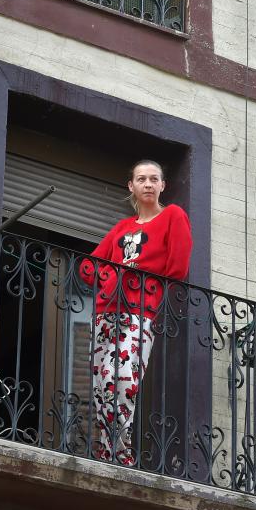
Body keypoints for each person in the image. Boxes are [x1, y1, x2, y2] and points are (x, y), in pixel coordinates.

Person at [79, 160, 193, 466]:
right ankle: (107, 451)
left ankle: (122, 450)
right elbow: (87, 267)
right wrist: (114, 278)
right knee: (103, 386)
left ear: (162, 186)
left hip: (139, 310)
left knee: (125, 380)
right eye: (141, 179)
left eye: (154, 179)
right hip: (105, 311)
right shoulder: (122, 228)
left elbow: (178, 267)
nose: (147, 184)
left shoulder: (172, 216)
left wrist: (143, 279)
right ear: (131, 186)